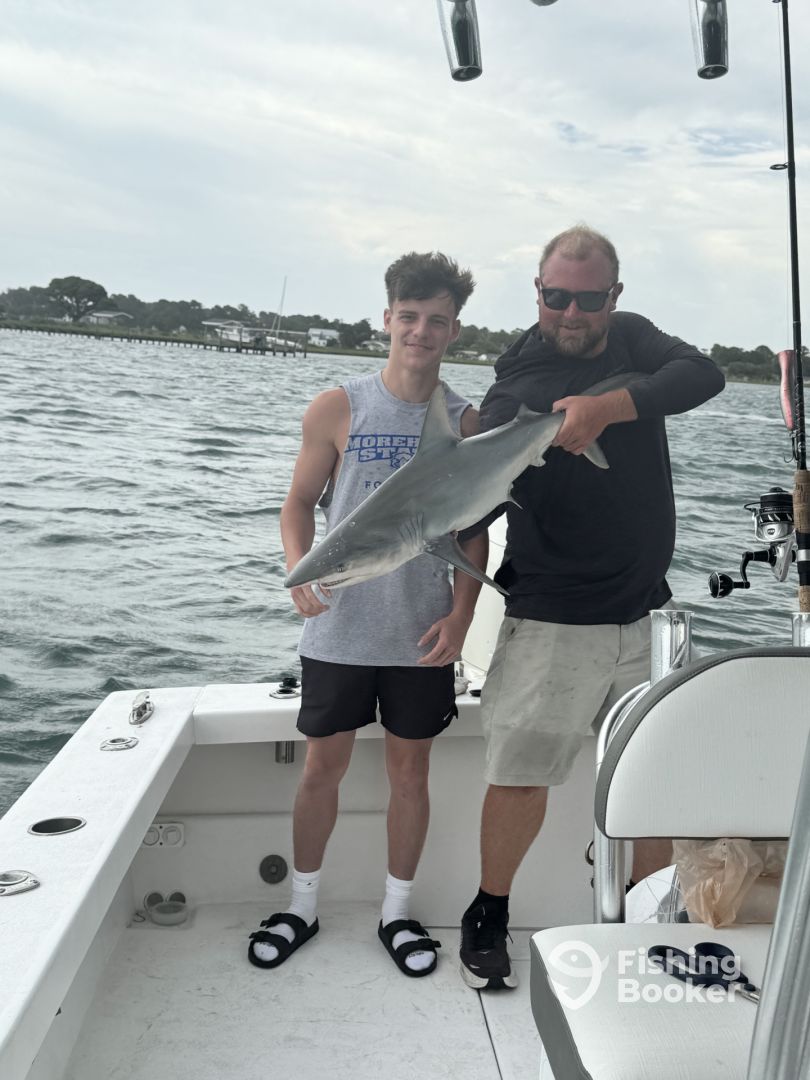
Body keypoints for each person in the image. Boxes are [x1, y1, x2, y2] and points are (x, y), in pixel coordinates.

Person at [457, 224, 725, 990]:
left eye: (588, 298)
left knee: (651, 782)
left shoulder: (633, 337)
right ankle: (489, 911)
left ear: (615, 295)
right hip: (551, 617)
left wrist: (606, 408)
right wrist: (451, 600)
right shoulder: (517, 385)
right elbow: (472, 511)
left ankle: (647, 917)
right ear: (537, 292)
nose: (571, 313)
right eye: (556, 296)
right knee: (521, 776)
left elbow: (702, 375)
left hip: (646, 614)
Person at [248, 251, 488, 977]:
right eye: (409, 317)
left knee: (410, 775)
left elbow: (474, 530)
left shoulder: (466, 419)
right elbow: (298, 503)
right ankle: (301, 906)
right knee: (321, 769)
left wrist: (461, 616)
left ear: (454, 331)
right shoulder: (337, 407)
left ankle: (397, 913)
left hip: (421, 631)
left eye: (437, 320)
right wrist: (299, 569)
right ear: (386, 319)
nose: (421, 331)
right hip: (338, 628)